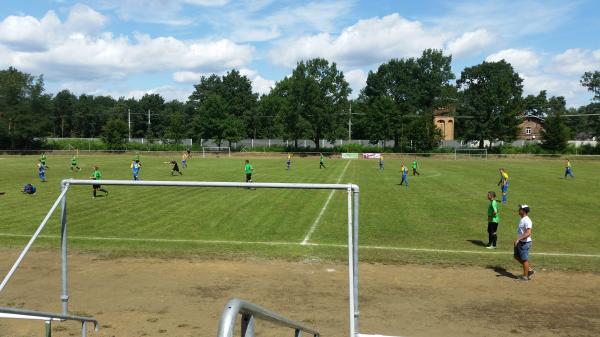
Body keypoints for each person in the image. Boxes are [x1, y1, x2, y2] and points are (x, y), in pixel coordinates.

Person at [514, 204, 535, 281]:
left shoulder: (527, 220)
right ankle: (529, 270)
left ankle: (525, 277)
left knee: (524, 260)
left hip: (525, 243)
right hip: (521, 242)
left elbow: (528, 233)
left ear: (523, 211)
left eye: (520, 209)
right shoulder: (522, 219)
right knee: (516, 256)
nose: (518, 210)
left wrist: (518, 239)